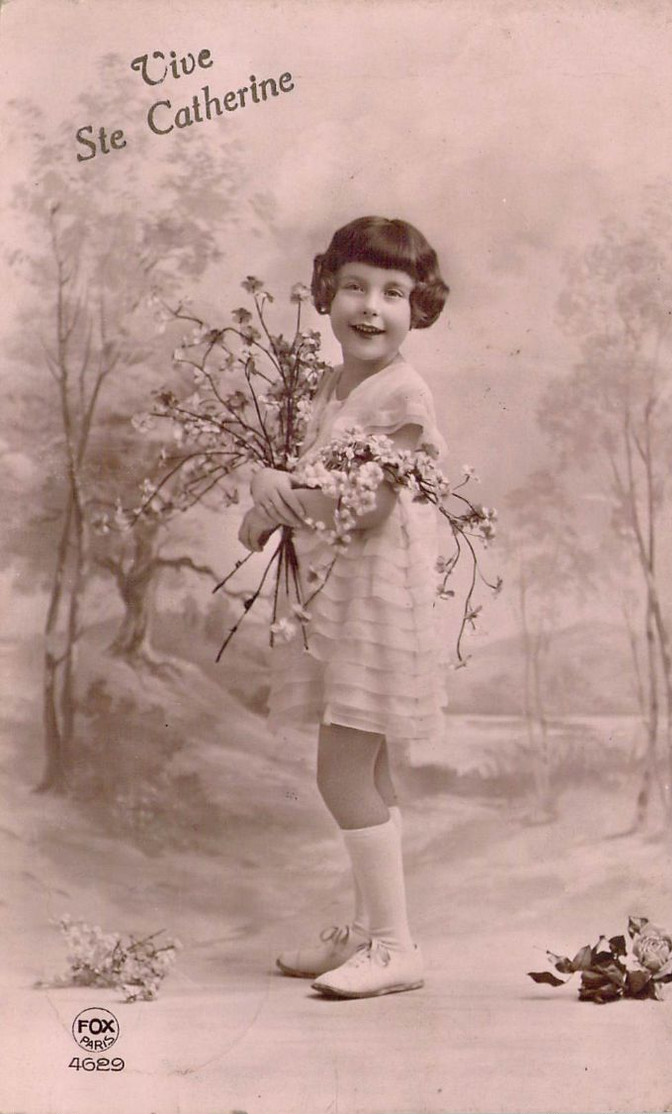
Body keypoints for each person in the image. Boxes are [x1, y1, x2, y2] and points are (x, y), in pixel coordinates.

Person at [238, 215, 449, 998]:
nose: (371, 306)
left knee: (342, 772)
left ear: (417, 305)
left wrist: (272, 493)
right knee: (369, 773)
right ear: (326, 290)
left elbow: (362, 511)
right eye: (355, 286)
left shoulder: (402, 393)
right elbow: (309, 493)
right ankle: (369, 933)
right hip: (338, 600)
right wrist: (268, 498)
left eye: (393, 292)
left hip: (372, 609)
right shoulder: (331, 386)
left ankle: (395, 946)